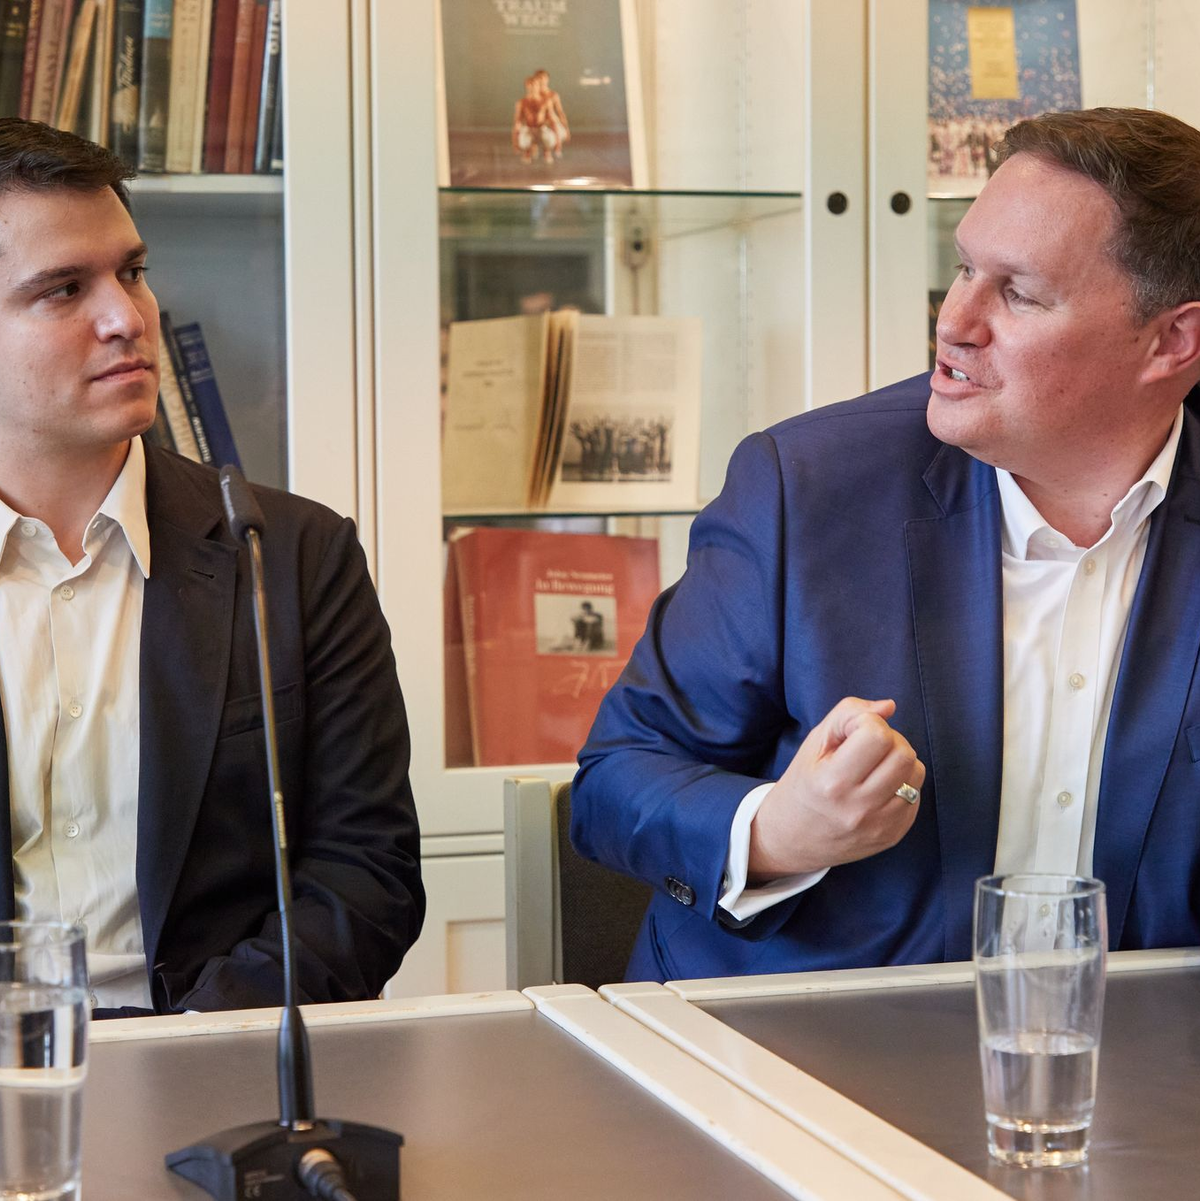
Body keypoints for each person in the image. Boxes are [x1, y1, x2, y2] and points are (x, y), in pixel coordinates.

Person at [572, 106, 1200, 982]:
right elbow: (614, 779)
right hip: (793, 1041)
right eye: (964, 268)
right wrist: (777, 830)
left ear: (1171, 340)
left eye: (1017, 293)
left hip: (1138, 1052)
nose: (955, 320)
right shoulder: (804, 486)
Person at [0, 118, 424, 1015]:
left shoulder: (295, 554)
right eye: (65, 289)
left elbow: (366, 877)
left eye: (133, 272)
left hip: (218, 1058)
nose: (128, 318)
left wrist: (191, 1046)